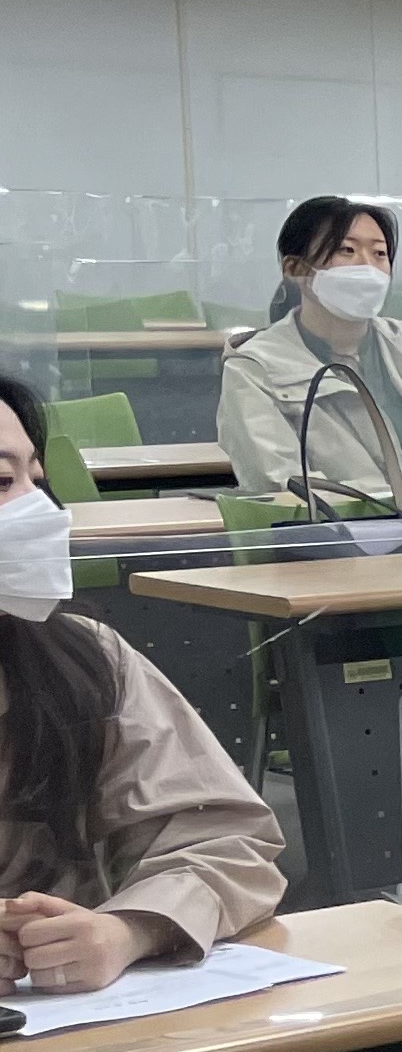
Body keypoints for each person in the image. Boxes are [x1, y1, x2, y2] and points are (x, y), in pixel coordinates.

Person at [0, 373, 287, 994]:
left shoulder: (84, 660)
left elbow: (226, 843)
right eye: (2, 482)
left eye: (34, 480)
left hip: (70, 1031)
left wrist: (128, 929)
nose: (38, 509)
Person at [216, 196, 402, 506]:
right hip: (334, 530)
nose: (368, 266)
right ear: (295, 268)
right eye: (347, 250)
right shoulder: (254, 366)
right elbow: (278, 479)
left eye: (380, 254)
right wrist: (392, 507)